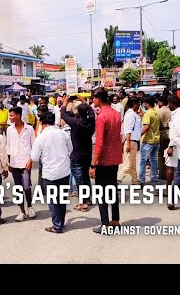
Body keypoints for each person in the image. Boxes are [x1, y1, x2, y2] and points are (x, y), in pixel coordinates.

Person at [27, 112, 72, 233]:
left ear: (42, 123)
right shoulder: (63, 134)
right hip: (64, 171)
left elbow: (35, 157)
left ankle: (57, 226)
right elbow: (70, 149)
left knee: (53, 200)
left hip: (50, 173)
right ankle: (60, 222)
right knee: (62, 198)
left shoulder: (41, 137)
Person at [90, 88, 123, 234]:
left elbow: (99, 143)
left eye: (93, 98)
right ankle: (115, 220)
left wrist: (93, 164)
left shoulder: (102, 117)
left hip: (103, 161)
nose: (92, 101)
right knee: (113, 190)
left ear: (98, 98)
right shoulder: (116, 113)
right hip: (114, 158)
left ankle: (105, 224)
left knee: (101, 193)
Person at [60, 95, 95, 212]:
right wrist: (83, 101)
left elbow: (63, 114)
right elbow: (91, 110)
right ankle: (88, 199)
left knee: (79, 179)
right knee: (85, 177)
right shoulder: (90, 121)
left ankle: (83, 203)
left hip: (77, 154)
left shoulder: (76, 122)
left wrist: (65, 102)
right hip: (87, 153)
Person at [6, 107, 36, 221]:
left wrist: (30, 160)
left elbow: (34, 146)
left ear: (18, 115)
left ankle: (30, 207)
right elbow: (8, 146)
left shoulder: (29, 129)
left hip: (25, 162)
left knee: (26, 186)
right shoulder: (9, 130)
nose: (10, 117)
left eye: (11, 115)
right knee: (18, 188)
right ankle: (22, 211)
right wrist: (8, 162)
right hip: (14, 162)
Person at [118, 98, 142, 185]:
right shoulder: (131, 115)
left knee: (132, 162)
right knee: (128, 163)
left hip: (133, 141)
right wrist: (128, 143)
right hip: (131, 141)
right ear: (135, 104)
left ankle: (135, 180)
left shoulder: (133, 114)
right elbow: (128, 129)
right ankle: (118, 178)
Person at [139, 96, 160, 184]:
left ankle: (142, 179)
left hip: (148, 140)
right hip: (156, 139)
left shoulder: (148, 113)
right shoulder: (156, 112)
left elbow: (146, 126)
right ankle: (154, 176)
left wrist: (138, 135)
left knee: (143, 160)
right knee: (153, 159)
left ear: (147, 104)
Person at [157, 95, 171, 180]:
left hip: (162, 133)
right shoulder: (171, 110)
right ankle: (169, 170)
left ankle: (162, 172)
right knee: (170, 154)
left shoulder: (159, 111)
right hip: (170, 133)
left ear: (161, 102)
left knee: (160, 154)